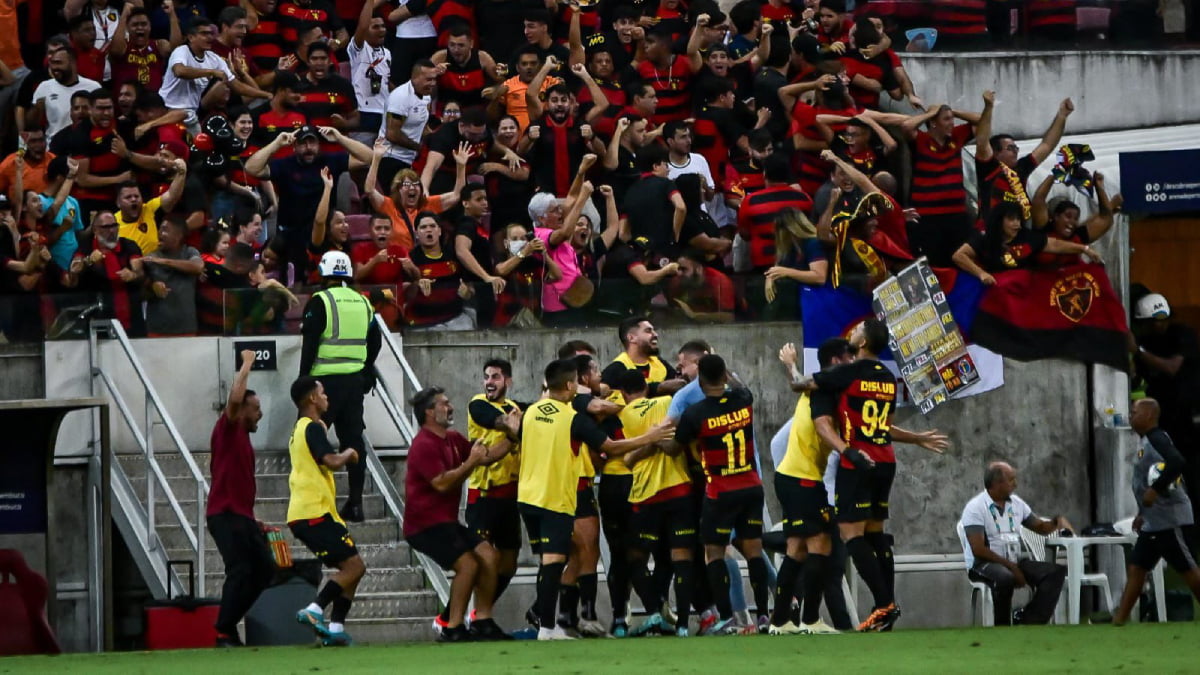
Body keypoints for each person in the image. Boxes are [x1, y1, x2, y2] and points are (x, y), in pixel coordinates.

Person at [805, 318, 947, 632]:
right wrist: (917, 437)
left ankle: (884, 604)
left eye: (856, 331)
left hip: (858, 461)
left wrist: (792, 369)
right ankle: (887, 604)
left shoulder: (850, 371)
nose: (851, 332)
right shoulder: (888, 377)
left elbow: (806, 385)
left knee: (850, 534)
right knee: (875, 534)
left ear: (863, 343)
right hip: (885, 460)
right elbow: (884, 425)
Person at [518, 358, 672, 640]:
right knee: (554, 563)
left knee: (550, 561)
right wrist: (651, 436)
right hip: (555, 498)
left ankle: (551, 624)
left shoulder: (530, 412)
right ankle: (548, 628)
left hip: (527, 497)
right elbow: (611, 446)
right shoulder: (571, 418)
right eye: (576, 381)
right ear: (569, 385)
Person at [404, 386, 513, 642]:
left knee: (489, 555)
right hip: (424, 526)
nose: (450, 407)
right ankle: (452, 626)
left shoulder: (452, 438)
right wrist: (472, 462)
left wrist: (514, 436)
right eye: (444, 403)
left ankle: (482, 620)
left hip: (447, 522)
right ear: (429, 412)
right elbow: (442, 483)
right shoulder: (423, 444)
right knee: (468, 564)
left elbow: (485, 456)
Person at [766, 339, 859, 635]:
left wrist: (791, 365)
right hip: (802, 479)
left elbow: (797, 385)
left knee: (796, 550)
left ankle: (780, 621)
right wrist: (847, 450)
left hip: (793, 477)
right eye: (849, 357)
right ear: (836, 360)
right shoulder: (824, 390)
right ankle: (810, 620)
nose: (853, 363)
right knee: (821, 546)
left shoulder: (815, 388)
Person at [673, 354, 770, 635]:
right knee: (754, 551)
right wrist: (729, 374)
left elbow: (674, 448)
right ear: (724, 375)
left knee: (713, 553)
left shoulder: (696, 413)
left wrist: (656, 438)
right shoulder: (743, 401)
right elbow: (742, 387)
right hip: (751, 486)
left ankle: (727, 617)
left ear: (700, 380)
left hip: (720, 491)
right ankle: (763, 615)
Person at [298, 250, 382, 523]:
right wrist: (367, 369)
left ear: (324, 273)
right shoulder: (362, 301)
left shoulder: (320, 300)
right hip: (354, 383)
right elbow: (376, 340)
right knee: (354, 440)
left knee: (310, 437)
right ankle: (355, 503)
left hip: (323, 385)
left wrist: (303, 380)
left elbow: (309, 342)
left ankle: (312, 501)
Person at [288, 376, 365, 647]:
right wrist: (349, 454)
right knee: (354, 567)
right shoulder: (312, 428)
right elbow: (331, 461)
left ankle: (335, 627)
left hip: (313, 513)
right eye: (322, 393)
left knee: (353, 567)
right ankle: (314, 610)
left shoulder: (301, 429)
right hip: (314, 513)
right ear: (312, 398)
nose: (327, 397)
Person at [618, 370, 695, 637]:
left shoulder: (624, 414)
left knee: (635, 558)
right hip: (679, 488)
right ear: (646, 388)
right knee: (679, 557)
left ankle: (653, 611)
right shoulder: (669, 403)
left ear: (624, 394)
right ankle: (683, 623)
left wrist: (647, 444)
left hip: (645, 495)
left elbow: (626, 459)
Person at [1114, 398, 1200, 626]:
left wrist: (1156, 488)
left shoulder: (1158, 438)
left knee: (1188, 569)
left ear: (1149, 415)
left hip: (1170, 519)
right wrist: (1142, 513)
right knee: (1137, 567)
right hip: (1153, 520)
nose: (1131, 417)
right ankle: (1119, 620)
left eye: (1135, 412)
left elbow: (1177, 462)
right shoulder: (1146, 441)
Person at [206, 350, 272, 648]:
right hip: (224, 514)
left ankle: (229, 626)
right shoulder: (228, 428)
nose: (260, 413)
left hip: (239, 515)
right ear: (242, 410)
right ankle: (223, 631)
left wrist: (252, 519)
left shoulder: (243, 439)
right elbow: (234, 399)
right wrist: (247, 362)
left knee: (265, 569)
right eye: (255, 408)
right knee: (241, 569)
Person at [959, 461, 1072, 626]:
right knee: (1005, 577)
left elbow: (1039, 527)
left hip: (1014, 561)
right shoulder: (975, 508)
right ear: (997, 484)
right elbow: (978, 549)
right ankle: (1002, 626)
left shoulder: (1016, 503)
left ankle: (1029, 621)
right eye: (1011, 480)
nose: (1015, 484)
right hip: (984, 563)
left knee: (1054, 572)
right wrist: (1012, 567)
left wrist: (1056, 522)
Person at [463, 360, 524, 615]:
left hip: (510, 498)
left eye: (496, 377)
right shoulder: (478, 404)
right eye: (487, 376)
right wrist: (512, 429)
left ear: (507, 381)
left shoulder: (514, 408)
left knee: (509, 564)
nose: (489, 382)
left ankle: (480, 613)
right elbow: (494, 421)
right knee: (485, 561)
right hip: (483, 498)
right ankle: (465, 615)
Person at [1133, 293, 1200, 516]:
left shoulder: (1182, 335)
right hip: (1162, 419)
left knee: (1190, 472)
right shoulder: (1146, 341)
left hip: (1188, 418)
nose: (1160, 325)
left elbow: (1172, 367)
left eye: (1163, 319)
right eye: (1154, 321)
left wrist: (1138, 351)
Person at [143, 217, 203, 337]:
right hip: (157, 329)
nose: (159, 233)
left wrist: (164, 261)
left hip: (186, 328)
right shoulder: (151, 257)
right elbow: (141, 290)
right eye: (159, 229)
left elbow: (197, 267)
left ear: (178, 235)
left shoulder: (189, 252)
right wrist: (152, 287)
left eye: (165, 230)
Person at [600, 316, 685, 398]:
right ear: (631, 338)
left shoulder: (660, 363)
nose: (656, 334)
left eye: (654, 330)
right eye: (648, 331)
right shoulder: (616, 369)